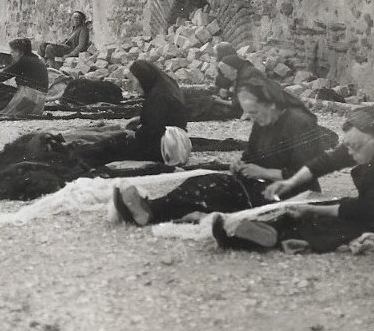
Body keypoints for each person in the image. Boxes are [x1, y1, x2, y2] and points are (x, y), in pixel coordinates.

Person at [210, 107, 374, 253]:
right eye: (349, 147)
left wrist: (312, 210)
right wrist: (291, 183)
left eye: (355, 148)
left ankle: (268, 237)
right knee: (314, 207)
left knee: (327, 221)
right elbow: (327, 161)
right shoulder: (370, 137)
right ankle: (258, 230)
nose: (350, 154)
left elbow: (367, 208)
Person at [114, 76, 335, 226]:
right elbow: (253, 155)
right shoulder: (263, 120)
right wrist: (241, 164)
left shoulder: (300, 123)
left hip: (293, 193)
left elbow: (308, 173)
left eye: (253, 111)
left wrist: (263, 173)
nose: (250, 117)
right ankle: (151, 209)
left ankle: (151, 212)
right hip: (264, 183)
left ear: (272, 103)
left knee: (212, 191)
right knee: (204, 183)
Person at [123, 60, 192, 162]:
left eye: (133, 81)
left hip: (164, 147)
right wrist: (140, 120)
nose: (133, 87)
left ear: (142, 78)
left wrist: (133, 134)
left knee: (111, 144)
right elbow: (166, 117)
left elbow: (153, 131)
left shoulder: (158, 96)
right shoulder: (165, 86)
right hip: (178, 142)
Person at [0, 38, 50, 116]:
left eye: (12, 51)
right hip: (38, 105)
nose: (11, 53)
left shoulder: (23, 61)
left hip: (28, 99)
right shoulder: (35, 59)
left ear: (19, 52)